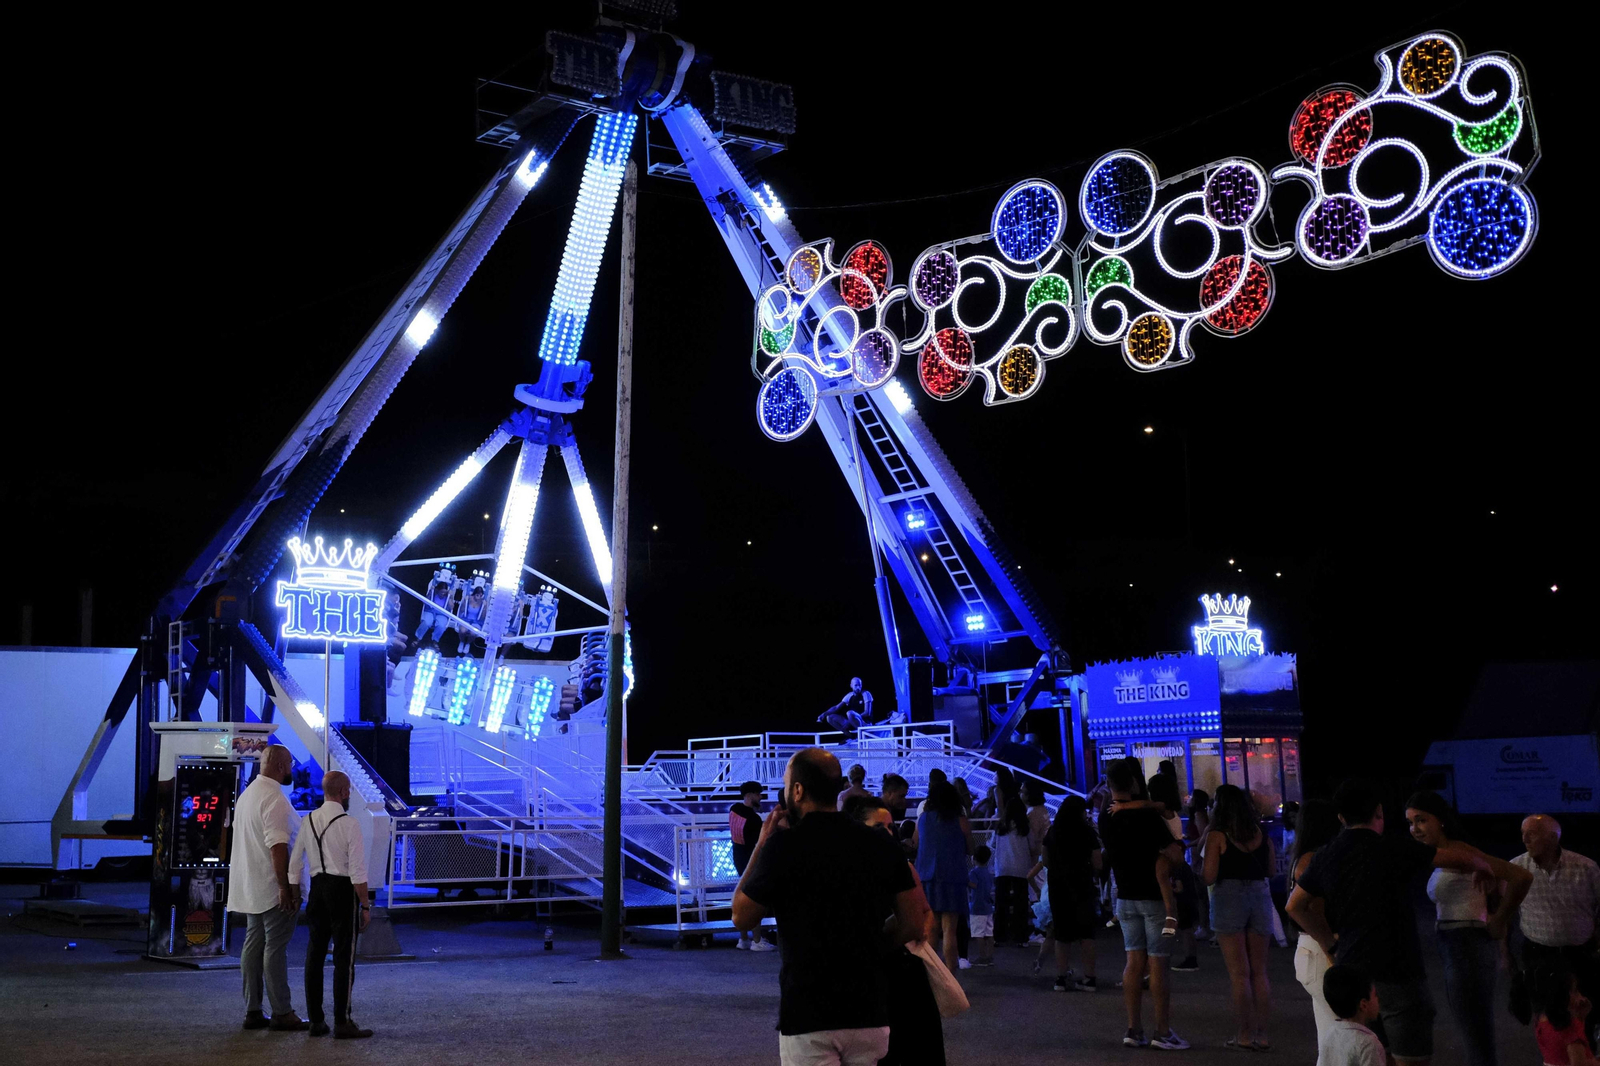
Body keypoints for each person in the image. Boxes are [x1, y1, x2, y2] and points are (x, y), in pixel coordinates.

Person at [733, 748, 927, 1066]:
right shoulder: (880, 843)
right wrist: (874, 946)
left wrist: (761, 844)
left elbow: (741, 916)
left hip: (808, 1012)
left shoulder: (784, 846)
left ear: (797, 790)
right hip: (869, 1009)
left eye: (786, 784)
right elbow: (913, 922)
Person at [1286, 778, 1495, 1066]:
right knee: (1411, 1056)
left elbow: (1294, 905)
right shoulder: (1394, 847)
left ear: (1341, 818)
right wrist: (1482, 866)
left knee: (1370, 1055)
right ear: (1379, 812)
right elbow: (1454, 858)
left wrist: (1329, 943)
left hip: (1354, 972)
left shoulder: (1326, 855)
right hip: (1399, 971)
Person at [1405, 790, 1533, 1066]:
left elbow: (1520, 876)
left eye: (1421, 820)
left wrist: (1500, 919)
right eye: (1411, 823)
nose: (1415, 829)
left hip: (1468, 944)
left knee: (1476, 1035)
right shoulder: (1445, 854)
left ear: (1440, 820)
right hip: (1456, 945)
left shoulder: (1461, 851)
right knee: (1473, 1031)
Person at [842, 794, 945, 1066]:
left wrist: (906, 940)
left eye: (890, 827)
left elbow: (925, 914)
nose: (887, 834)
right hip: (868, 973)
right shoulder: (846, 872)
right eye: (878, 827)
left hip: (902, 968)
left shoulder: (904, 867)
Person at [1100, 758, 1189, 1049]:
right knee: (1158, 964)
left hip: (1125, 898)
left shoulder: (1105, 818)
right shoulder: (1148, 817)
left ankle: (1133, 1028)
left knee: (1133, 962)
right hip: (1154, 897)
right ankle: (1162, 1031)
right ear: (1134, 782)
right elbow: (1174, 854)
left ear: (1110, 784)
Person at [288, 770, 372, 1039]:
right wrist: (365, 905)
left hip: (317, 890)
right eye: (349, 791)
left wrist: (295, 894)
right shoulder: (350, 824)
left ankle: (316, 1021)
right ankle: (342, 1021)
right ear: (344, 792)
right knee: (344, 958)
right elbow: (357, 872)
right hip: (342, 891)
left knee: (314, 955)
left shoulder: (308, 820)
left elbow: (295, 863)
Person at [229, 745, 306, 1031]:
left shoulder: (248, 795)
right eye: (290, 764)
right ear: (280, 766)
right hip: (272, 887)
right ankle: (282, 1012)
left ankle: (253, 1010)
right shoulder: (274, 799)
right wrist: (285, 887)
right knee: (275, 948)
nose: (292, 769)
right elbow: (278, 847)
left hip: (251, 884)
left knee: (254, 944)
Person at [1512, 814, 1600, 1043]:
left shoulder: (1586, 868)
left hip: (1579, 954)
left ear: (1553, 838)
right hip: (1539, 954)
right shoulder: (1516, 868)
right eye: (1523, 833)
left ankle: (1586, 1053)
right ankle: (1553, 1056)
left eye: (1532, 833)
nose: (1525, 839)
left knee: (1585, 1011)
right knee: (1547, 1017)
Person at [1203, 783, 1275, 1051]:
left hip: (1229, 897)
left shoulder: (1217, 835)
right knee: (1259, 972)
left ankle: (1244, 1034)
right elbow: (1270, 870)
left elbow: (1209, 876)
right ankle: (1262, 1035)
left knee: (1239, 974)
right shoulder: (1261, 832)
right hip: (1259, 896)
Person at [1288, 798, 1344, 1061]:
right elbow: (1316, 911)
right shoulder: (1314, 860)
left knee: (1330, 1039)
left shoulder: (1302, 857)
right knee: (1342, 1034)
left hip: (1310, 950)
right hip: (1321, 949)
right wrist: (1333, 953)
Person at [1028, 794, 1100, 993]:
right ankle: (1089, 978)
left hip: (1058, 885)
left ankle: (1060, 978)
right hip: (1083, 885)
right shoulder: (1087, 832)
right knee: (1086, 933)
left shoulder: (1053, 831)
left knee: (1061, 933)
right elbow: (1097, 862)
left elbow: (1045, 859)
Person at [914, 780, 972, 972]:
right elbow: (971, 848)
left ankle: (932, 975)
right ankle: (950, 976)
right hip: (953, 877)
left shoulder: (923, 819)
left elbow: (916, 843)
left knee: (931, 929)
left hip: (927, 877)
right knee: (950, 930)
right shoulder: (959, 819)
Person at [1147, 773, 1200, 972]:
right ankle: (1189, 957)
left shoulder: (1159, 811)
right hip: (1179, 865)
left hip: (1171, 867)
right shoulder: (1173, 812)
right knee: (1184, 918)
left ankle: (1180, 958)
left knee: (1176, 916)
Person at [730, 781, 777, 952]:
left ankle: (743, 939)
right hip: (751, 860)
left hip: (738, 858)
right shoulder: (754, 819)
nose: (760, 797)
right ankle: (757, 940)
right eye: (758, 794)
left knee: (742, 896)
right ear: (749, 795)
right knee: (753, 899)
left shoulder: (734, 809)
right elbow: (761, 842)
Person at [1320, 963, 1387, 1066]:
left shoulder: (1329, 1034)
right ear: (1363, 1005)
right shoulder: (1368, 1044)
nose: (1378, 999)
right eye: (1375, 995)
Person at [992, 794, 1035, 948]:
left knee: (1001, 903)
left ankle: (999, 936)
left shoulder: (1000, 826)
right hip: (1021, 868)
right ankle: (1021, 937)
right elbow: (1032, 846)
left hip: (1002, 867)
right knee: (1020, 903)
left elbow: (993, 844)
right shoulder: (1025, 827)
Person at [1533, 964, 1597, 1066]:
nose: (1580, 996)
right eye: (1575, 991)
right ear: (1563, 997)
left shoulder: (1541, 1019)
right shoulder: (1570, 1030)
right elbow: (1579, 1063)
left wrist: (1581, 1019)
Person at [1185, 788, 1213, 942]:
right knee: (1202, 894)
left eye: (1191, 797)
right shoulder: (1200, 814)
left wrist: (1189, 844)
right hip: (1197, 854)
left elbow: (1203, 836)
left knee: (1201, 894)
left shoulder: (1198, 815)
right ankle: (1205, 926)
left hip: (1198, 856)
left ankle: (1204, 926)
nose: (1188, 799)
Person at [969, 844, 995, 966]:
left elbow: (973, 885)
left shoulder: (974, 872)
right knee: (989, 933)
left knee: (978, 933)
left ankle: (982, 956)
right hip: (988, 906)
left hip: (977, 907)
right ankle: (990, 957)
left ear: (974, 858)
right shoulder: (988, 872)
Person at [413, 579, 451, 648]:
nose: (443, 594)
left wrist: (450, 597)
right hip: (430, 610)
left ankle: (435, 640)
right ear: (438, 590)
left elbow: (451, 607)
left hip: (441, 613)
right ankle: (418, 638)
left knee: (441, 625)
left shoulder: (447, 596)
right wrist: (431, 591)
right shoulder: (433, 593)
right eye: (441, 592)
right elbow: (425, 601)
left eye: (444, 592)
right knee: (426, 622)